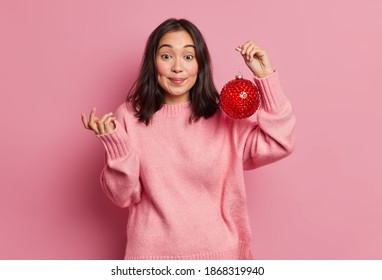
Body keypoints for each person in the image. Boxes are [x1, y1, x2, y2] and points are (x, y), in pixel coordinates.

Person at [81, 18, 296, 260]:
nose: (177, 67)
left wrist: (265, 77)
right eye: (166, 56)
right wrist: (116, 145)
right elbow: (122, 196)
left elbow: (280, 142)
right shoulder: (128, 117)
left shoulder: (224, 117)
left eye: (188, 57)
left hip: (220, 258)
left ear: (200, 64)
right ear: (153, 64)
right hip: (152, 260)